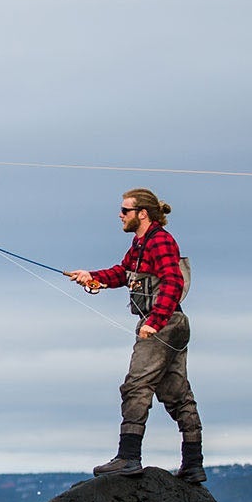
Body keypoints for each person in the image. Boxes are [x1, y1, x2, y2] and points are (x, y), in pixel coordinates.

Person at [65, 188, 204, 483]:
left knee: (136, 387)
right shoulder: (139, 244)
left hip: (163, 324)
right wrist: (92, 276)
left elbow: (173, 281)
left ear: (142, 213)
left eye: (125, 210)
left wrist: (154, 321)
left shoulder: (161, 242)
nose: (120, 215)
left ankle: (128, 457)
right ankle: (193, 464)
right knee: (176, 394)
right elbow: (121, 273)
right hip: (172, 324)